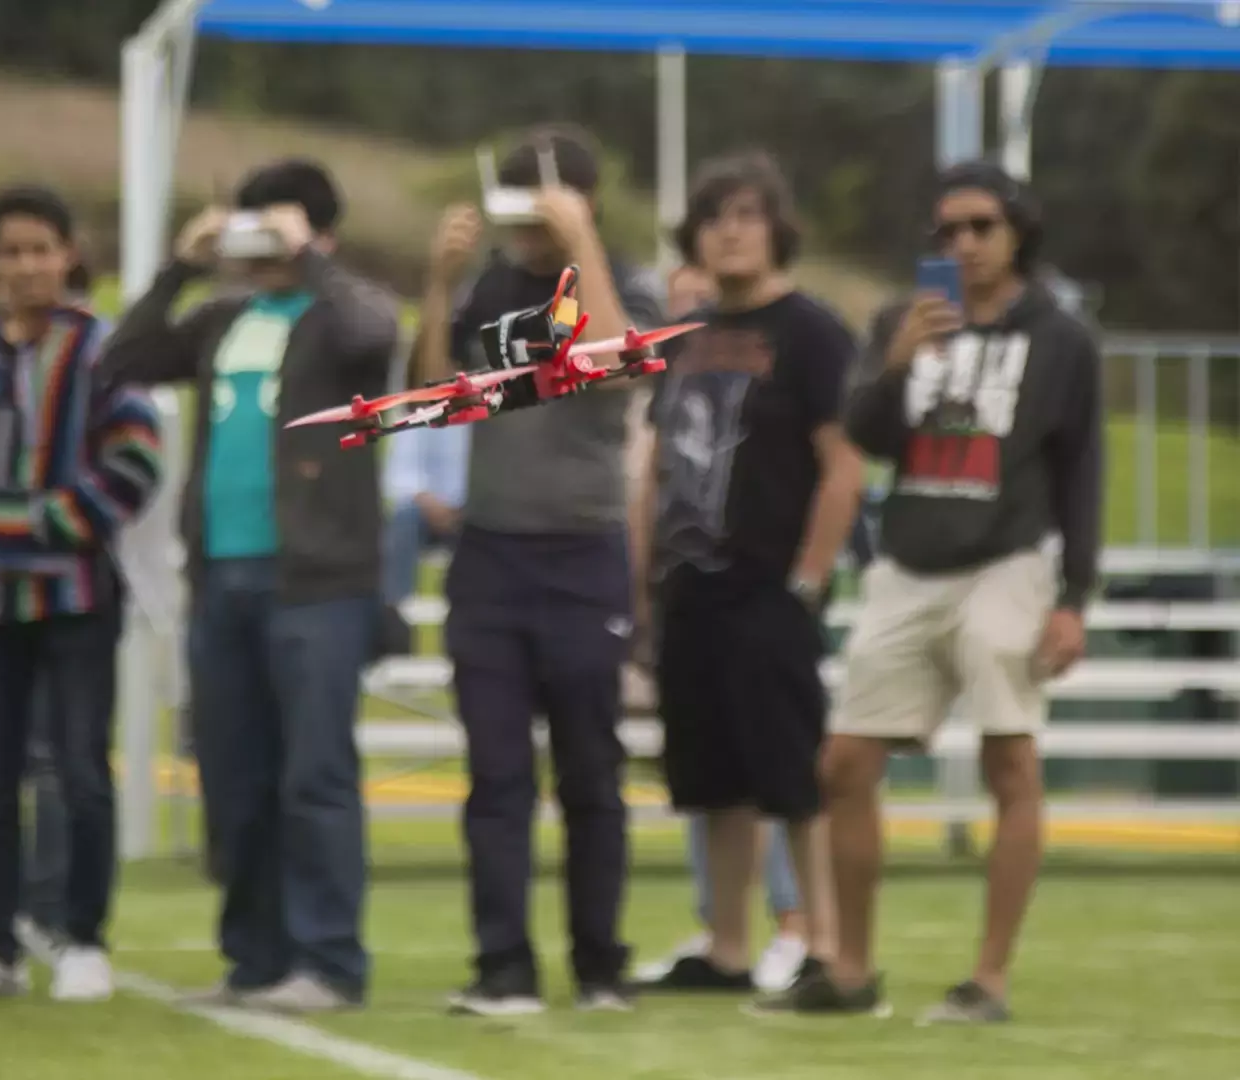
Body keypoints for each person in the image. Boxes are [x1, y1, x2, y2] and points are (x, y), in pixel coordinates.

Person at [794, 162, 1101, 1024]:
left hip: (1007, 562)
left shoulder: (1063, 339)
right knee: (844, 763)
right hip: (908, 563)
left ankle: (988, 981)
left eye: (980, 228)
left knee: (1010, 760)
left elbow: (1081, 472)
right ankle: (850, 970)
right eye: (947, 231)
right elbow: (864, 435)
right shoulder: (905, 319)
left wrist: (1076, 597)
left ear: (1018, 236)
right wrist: (896, 365)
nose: (961, 245)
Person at [102, 160, 397, 1013]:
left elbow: (380, 337)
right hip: (221, 575)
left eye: (275, 226)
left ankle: (330, 960)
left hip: (316, 580)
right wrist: (181, 266)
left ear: (317, 232)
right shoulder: (222, 317)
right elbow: (121, 360)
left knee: (315, 773)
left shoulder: (342, 313)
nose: (259, 242)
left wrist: (313, 260)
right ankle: (256, 960)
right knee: (234, 775)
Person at [409, 127, 660, 1016]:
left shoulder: (621, 281)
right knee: (497, 777)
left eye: (541, 206)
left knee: (592, 774)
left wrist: (581, 240)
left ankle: (601, 966)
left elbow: (617, 361)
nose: (525, 225)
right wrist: (441, 283)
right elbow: (433, 400)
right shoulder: (491, 290)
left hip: (583, 555)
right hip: (493, 557)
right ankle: (502, 967)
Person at [0, 186, 162, 1003]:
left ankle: (83, 938)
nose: (26, 266)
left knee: (80, 770)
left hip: (77, 597)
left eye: (40, 249)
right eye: (10, 250)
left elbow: (133, 464)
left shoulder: (107, 352)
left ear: (69, 255)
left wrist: (25, 523)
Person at [625, 153, 857, 1005]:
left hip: (771, 588)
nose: (729, 229)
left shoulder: (813, 332)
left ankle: (821, 945)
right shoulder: (682, 343)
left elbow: (843, 465)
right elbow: (654, 469)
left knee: (790, 774)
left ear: (777, 231)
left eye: (748, 215)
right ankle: (726, 948)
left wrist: (809, 577)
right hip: (692, 589)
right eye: (715, 215)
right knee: (711, 776)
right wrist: (646, 584)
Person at [375, 421, 469, 659]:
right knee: (403, 519)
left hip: (474, 512)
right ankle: (393, 612)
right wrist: (432, 505)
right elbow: (402, 477)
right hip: (426, 511)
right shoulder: (422, 414)